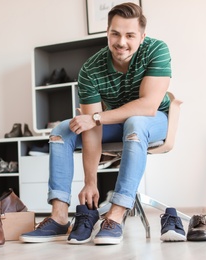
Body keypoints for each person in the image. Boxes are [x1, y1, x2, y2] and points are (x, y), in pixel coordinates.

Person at [20, 2, 171, 245]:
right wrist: (90, 182)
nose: (121, 42)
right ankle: (59, 217)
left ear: (142, 37)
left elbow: (147, 106)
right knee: (61, 131)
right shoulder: (90, 69)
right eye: (115, 34)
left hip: (154, 121)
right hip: (115, 122)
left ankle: (116, 214)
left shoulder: (157, 50)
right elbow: (91, 129)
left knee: (136, 122)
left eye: (130, 35)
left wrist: (97, 118)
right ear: (107, 33)